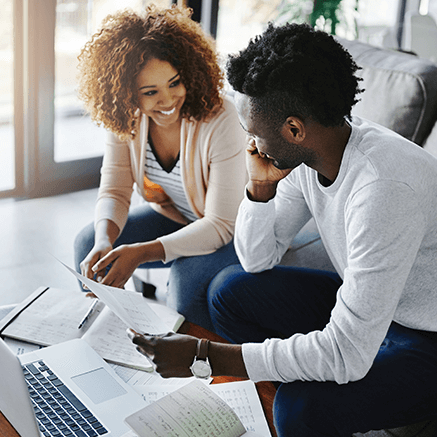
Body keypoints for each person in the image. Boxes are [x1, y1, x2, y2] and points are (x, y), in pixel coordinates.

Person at [127, 22, 437, 436]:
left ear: (293, 129)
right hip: (377, 314)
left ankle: (389, 407)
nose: (249, 144)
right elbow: (256, 260)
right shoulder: (312, 152)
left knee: (299, 409)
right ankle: (314, 392)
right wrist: (258, 189)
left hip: (425, 338)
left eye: (252, 132)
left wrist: (207, 355)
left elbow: (348, 351)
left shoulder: (382, 187)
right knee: (229, 292)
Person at [73, 5, 247, 331]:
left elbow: (222, 224)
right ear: (126, 94)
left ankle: (190, 367)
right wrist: (104, 240)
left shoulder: (221, 117)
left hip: (234, 232)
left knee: (184, 284)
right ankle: (106, 340)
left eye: (175, 83)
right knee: (88, 245)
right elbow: (115, 190)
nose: (167, 100)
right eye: (150, 92)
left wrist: (141, 253)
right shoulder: (127, 118)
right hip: (181, 217)